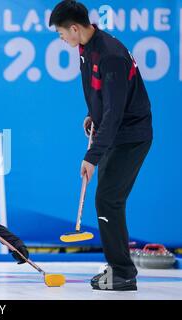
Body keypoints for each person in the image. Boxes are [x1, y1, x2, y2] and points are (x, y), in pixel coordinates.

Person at [49, 1, 153, 291]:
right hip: (115, 133)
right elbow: (104, 100)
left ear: (74, 28)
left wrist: (92, 156)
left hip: (131, 136)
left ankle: (122, 273)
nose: (61, 40)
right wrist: (92, 117)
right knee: (108, 199)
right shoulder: (87, 48)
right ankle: (118, 268)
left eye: (61, 34)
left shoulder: (110, 55)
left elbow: (115, 111)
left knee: (108, 199)